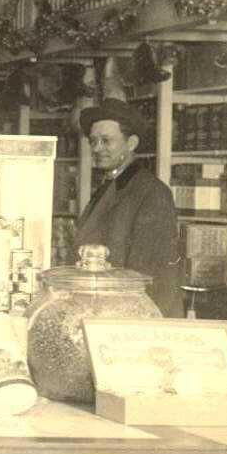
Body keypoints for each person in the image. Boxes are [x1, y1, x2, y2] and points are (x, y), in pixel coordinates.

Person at [75, 101, 182, 315]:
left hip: (135, 315)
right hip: (107, 308)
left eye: (106, 141)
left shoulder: (152, 193)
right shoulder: (109, 186)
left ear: (131, 143)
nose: (97, 148)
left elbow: (144, 275)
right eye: (93, 141)